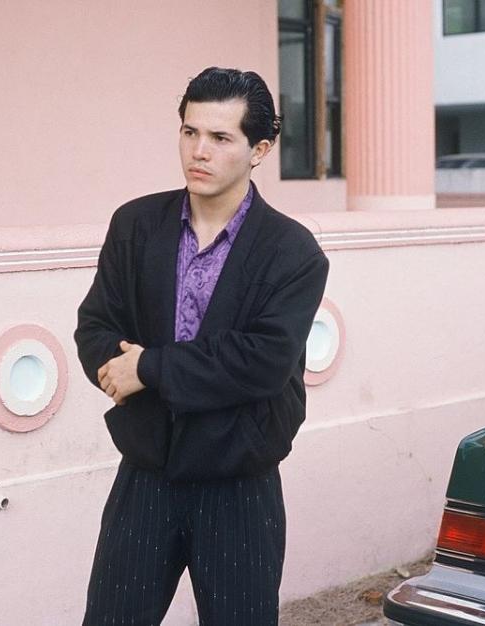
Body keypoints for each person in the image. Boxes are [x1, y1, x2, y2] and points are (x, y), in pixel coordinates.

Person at [74, 66, 329, 625]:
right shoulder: (136, 224)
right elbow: (95, 324)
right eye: (190, 132)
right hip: (146, 476)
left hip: (239, 486)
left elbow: (261, 361)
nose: (199, 151)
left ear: (259, 149)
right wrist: (114, 371)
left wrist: (152, 368)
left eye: (220, 138)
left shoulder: (293, 252)